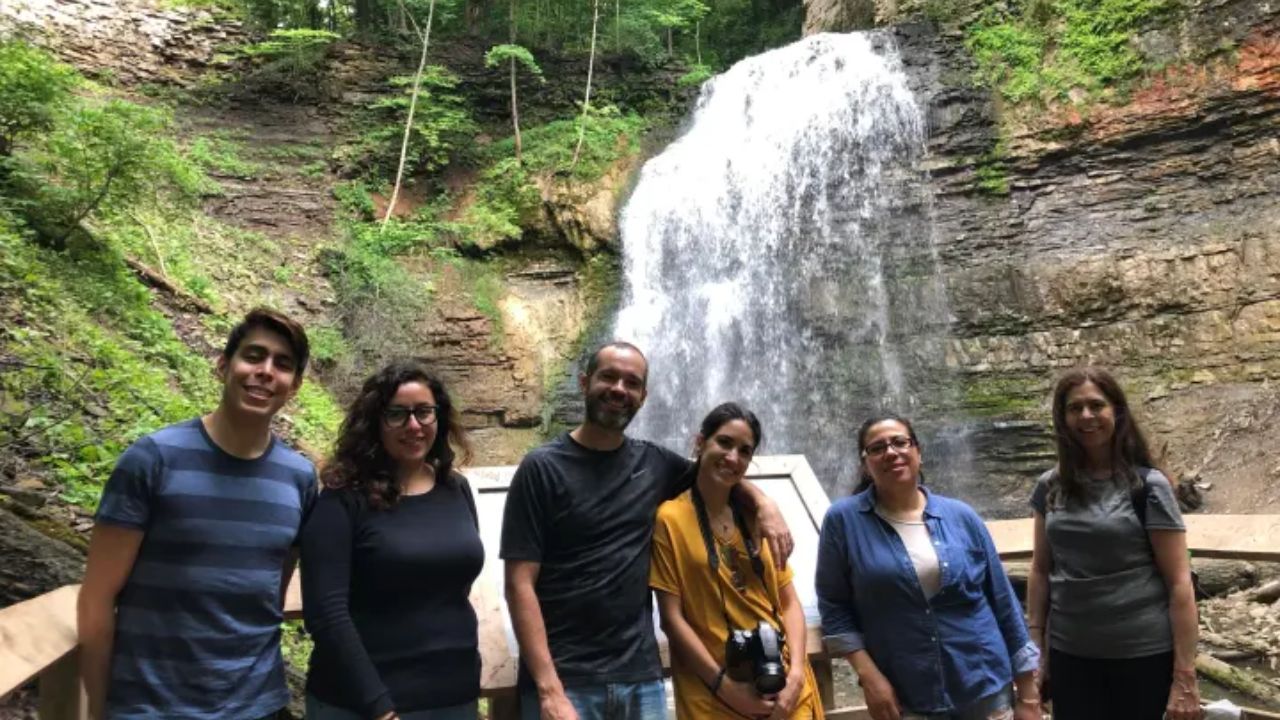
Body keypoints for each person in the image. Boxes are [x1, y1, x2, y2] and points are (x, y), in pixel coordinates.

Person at [500, 341, 794, 720]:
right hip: (567, 679)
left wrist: (763, 503)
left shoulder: (654, 463)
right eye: (609, 377)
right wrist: (549, 689)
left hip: (641, 677)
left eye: (632, 383)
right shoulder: (541, 468)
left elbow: (718, 471)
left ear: (643, 396)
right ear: (585, 381)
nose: (619, 389)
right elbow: (519, 584)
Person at [78, 307, 316, 720]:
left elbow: (268, 598)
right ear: (223, 365)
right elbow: (96, 599)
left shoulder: (299, 478)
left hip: (257, 706)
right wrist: (98, 708)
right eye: (253, 356)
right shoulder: (152, 460)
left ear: (293, 386)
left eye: (283, 364)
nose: (265, 371)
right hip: (152, 707)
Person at [815, 415, 1039, 720]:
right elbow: (834, 605)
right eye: (877, 448)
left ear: (918, 451)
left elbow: (1003, 602)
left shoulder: (961, 516)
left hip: (985, 683)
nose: (891, 452)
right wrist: (869, 676)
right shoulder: (843, 521)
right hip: (906, 693)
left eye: (899, 442)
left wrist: (1028, 695)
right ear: (865, 463)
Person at [300, 359, 483, 720]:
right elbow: (326, 613)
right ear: (375, 422)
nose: (413, 425)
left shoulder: (455, 488)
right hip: (363, 705)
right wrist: (379, 708)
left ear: (439, 417)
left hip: (453, 697)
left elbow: (452, 589)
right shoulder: (344, 498)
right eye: (396, 414)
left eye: (423, 412)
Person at [1026, 367, 1200, 720]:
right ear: (1063, 418)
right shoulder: (1050, 486)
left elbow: (1179, 582)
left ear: (1116, 412)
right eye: (1075, 408)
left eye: (1096, 405)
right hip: (1071, 655)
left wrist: (1184, 675)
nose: (1086, 416)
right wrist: (1037, 651)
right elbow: (1040, 570)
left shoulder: (1148, 487)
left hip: (1143, 654)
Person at [650, 402, 825, 720]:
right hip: (715, 697)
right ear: (700, 442)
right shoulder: (670, 519)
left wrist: (797, 673)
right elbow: (672, 620)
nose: (733, 458)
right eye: (724, 442)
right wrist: (727, 690)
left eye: (745, 451)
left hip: (787, 692)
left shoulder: (760, 520)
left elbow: (788, 603)